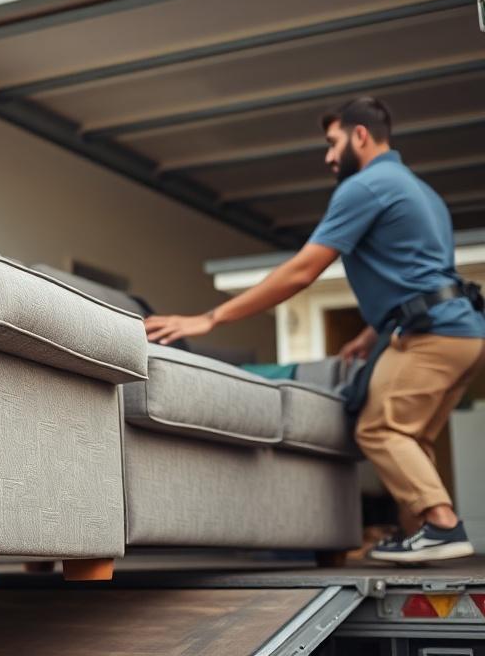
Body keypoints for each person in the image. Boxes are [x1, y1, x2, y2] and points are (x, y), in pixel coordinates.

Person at [145, 97, 485, 564]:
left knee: (381, 428)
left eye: (332, 143)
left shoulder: (365, 187)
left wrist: (210, 318)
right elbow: (419, 274)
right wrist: (371, 333)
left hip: (430, 336)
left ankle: (443, 526)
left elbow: (302, 271)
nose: (328, 157)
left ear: (359, 136)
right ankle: (421, 539)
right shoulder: (419, 190)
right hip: (461, 333)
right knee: (413, 436)